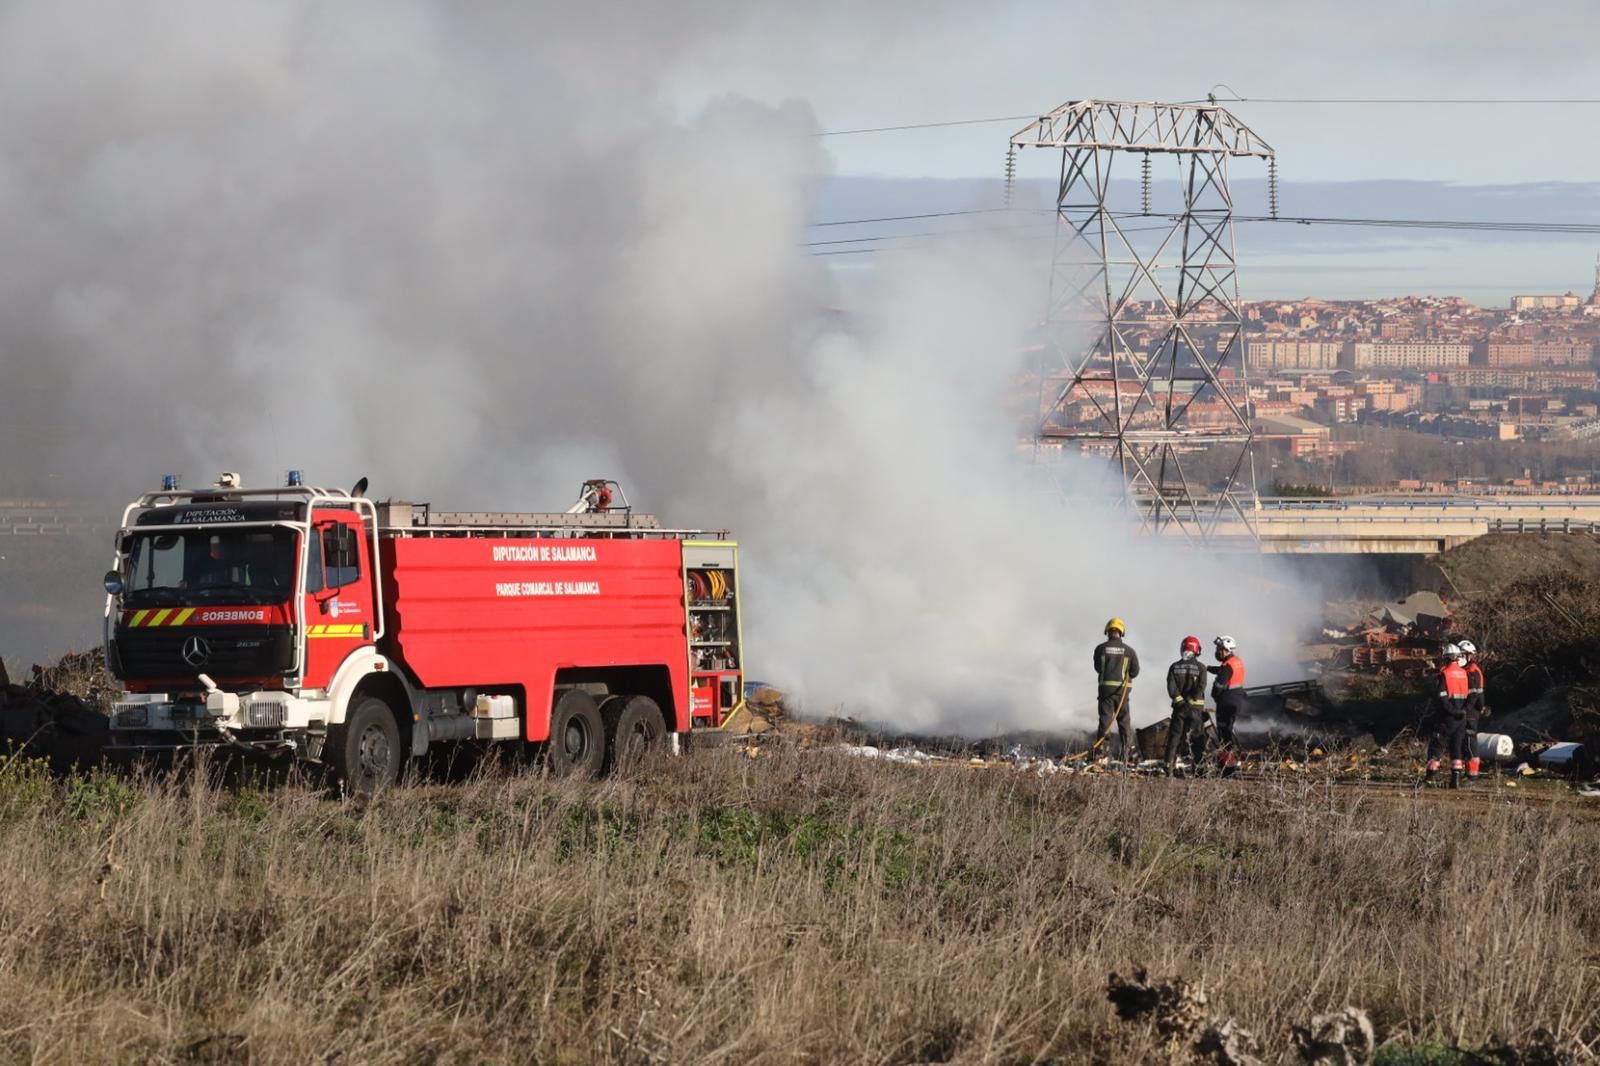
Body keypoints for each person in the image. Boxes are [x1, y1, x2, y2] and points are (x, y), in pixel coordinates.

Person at [1424, 643, 1472, 788]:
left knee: (1436, 746)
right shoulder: (1464, 673)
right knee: (1457, 748)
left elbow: (1442, 697)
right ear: (1457, 658)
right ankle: (1455, 781)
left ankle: (1430, 779)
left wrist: (1451, 711)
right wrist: (1463, 711)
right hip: (1461, 718)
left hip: (1447, 717)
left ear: (1445, 658)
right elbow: (1470, 696)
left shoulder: (1444, 674)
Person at [1093, 617, 1140, 763]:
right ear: (1121, 632)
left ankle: (1101, 753)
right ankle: (1126, 754)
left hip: (1105, 691)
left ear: (1108, 631)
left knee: (1105, 721)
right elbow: (1135, 672)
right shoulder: (1129, 651)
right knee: (1124, 722)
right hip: (1122, 692)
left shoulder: (1100, 649)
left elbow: (1097, 668)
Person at [1164, 635, 1210, 775]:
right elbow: (1201, 686)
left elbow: (1171, 688)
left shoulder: (1174, 667)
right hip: (1195, 710)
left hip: (1179, 710)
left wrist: (1181, 702)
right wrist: (1190, 701)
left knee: (1175, 738)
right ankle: (1199, 770)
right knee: (1197, 739)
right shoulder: (1201, 668)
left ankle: (1168, 767)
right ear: (1196, 650)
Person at [1207, 635, 1247, 754]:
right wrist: (1208, 668)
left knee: (1224, 731)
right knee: (1228, 729)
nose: (1217, 652)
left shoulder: (1227, 666)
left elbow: (1219, 685)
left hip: (1226, 701)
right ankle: (1231, 756)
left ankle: (1227, 759)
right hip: (1237, 697)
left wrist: (1214, 695)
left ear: (1226, 650)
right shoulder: (1236, 661)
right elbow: (1223, 671)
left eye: (1219, 649)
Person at [1459, 639, 1485, 779]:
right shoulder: (1467, 670)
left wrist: (1466, 709)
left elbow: (1475, 695)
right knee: (1465, 741)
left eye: (1461, 655)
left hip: (1470, 712)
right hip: (1469, 710)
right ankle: (1468, 771)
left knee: (1469, 741)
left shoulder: (1472, 671)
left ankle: (1472, 774)